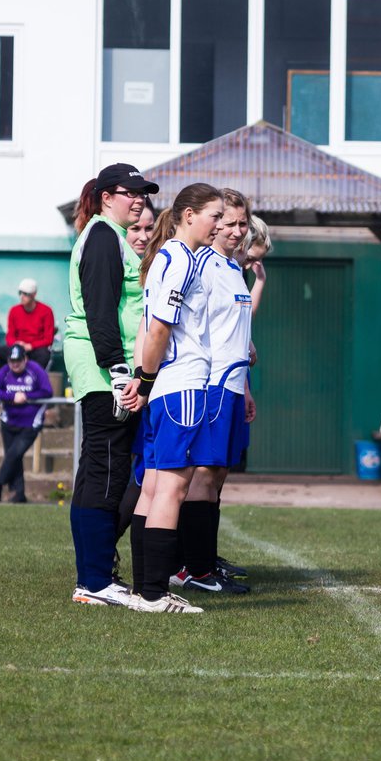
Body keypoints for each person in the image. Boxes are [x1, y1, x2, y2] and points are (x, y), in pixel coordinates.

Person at [124, 182, 224, 614]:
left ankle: (145, 587)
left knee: (152, 487)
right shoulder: (180, 259)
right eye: (214, 215)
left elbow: (148, 329)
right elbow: (160, 328)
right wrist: (144, 380)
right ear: (189, 215)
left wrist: (144, 380)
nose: (219, 224)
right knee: (172, 488)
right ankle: (154, 593)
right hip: (181, 385)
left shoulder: (165, 258)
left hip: (166, 385)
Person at [65, 162, 158, 608]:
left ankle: (94, 575)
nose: (138, 198)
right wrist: (120, 371)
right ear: (106, 196)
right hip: (105, 374)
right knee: (104, 473)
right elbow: (101, 311)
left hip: (104, 371)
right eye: (130, 192)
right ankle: (95, 579)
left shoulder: (111, 237)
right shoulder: (103, 238)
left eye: (142, 192)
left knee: (99, 472)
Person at [169, 188, 256, 594]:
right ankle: (193, 568)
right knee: (203, 473)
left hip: (234, 386)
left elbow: (234, 332)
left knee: (218, 474)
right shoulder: (201, 264)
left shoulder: (233, 268)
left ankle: (203, 561)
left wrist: (248, 386)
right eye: (229, 222)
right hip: (212, 384)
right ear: (212, 221)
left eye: (242, 223)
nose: (237, 230)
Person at [0, 344, 54, 503]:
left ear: (25, 359)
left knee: (14, 454)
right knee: (14, 458)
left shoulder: (35, 369)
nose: (15, 364)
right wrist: (12, 397)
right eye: (12, 361)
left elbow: (47, 391)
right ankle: (18, 494)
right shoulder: (5, 371)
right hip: (8, 421)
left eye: (18, 360)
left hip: (30, 422)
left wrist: (27, 395)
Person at [0, 278, 55, 378]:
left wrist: (31, 346)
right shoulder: (14, 311)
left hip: (35, 349)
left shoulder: (46, 311)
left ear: (34, 295)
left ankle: (32, 383)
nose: (22, 297)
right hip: (17, 347)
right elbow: (10, 336)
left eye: (26, 294)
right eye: (20, 293)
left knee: (44, 354)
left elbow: (48, 339)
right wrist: (17, 345)